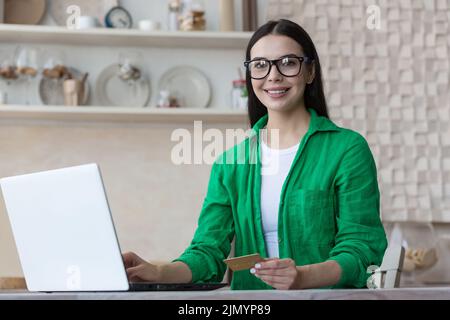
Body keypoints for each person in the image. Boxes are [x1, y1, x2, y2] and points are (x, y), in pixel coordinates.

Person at [123, 19, 387, 290]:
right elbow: (207, 253)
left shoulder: (347, 150)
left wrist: (303, 277)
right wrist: (156, 272)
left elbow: (362, 248)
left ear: (309, 72)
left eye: (288, 62)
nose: (273, 75)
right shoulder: (231, 163)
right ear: (250, 76)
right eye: (260, 65)